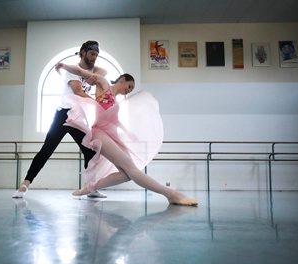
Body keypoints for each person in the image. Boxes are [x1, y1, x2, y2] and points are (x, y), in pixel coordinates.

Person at [55, 63, 198, 206]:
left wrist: (129, 133)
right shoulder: (104, 85)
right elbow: (80, 71)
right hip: (100, 134)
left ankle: (91, 187)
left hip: (110, 136)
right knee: (132, 169)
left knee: (127, 175)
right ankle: (171, 194)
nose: (128, 90)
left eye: (131, 89)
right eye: (129, 86)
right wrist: (63, 66)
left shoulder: (116, 101)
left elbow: (114, 122)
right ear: (122, 80)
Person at [13, 40, 107, 198]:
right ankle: (24, 185)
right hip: (64, 114)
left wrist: (93, 76)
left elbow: (103, 71)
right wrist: (97, 104)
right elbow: (78, 91)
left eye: (97, 55)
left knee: (90, 151)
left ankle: (91, 188)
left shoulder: (93, 69)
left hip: (79, 118)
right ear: (83, 52)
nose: (94, 57)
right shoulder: (73, 71)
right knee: (47, 149)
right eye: (92, 54)